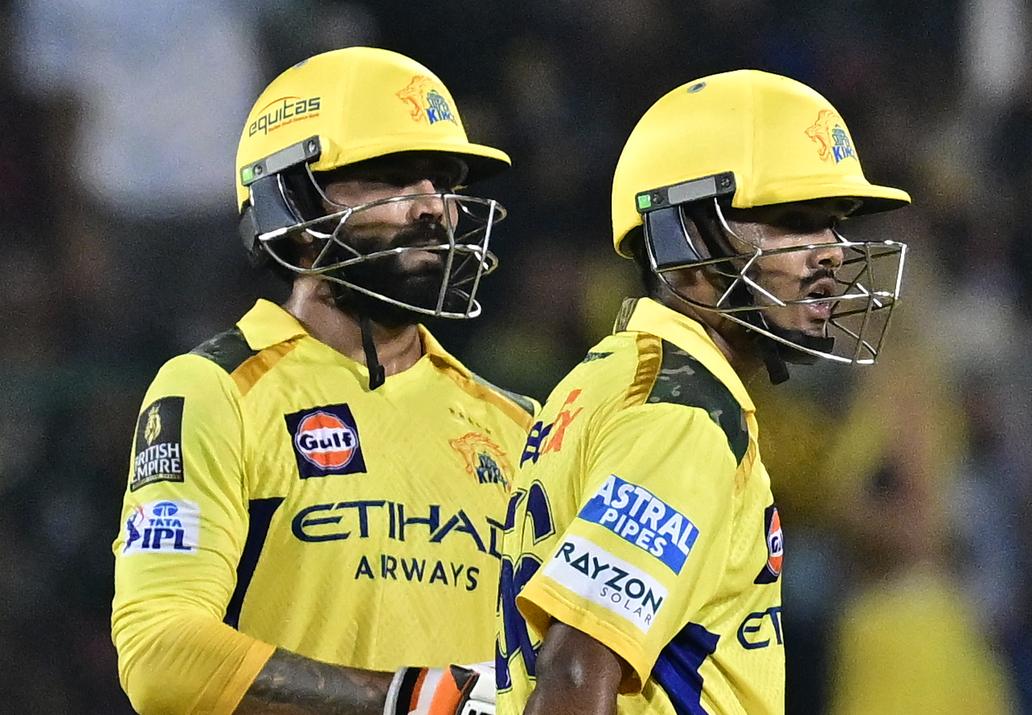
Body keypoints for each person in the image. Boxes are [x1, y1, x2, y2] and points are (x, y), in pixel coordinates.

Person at [111, 47, 534, 715]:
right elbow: (161, 654)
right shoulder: (216, 390)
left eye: (443, 182)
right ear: (290, 197)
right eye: (392, 178)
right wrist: (406, 700)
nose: (433, 207)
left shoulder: (520, 426)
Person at [495, 70, 912, 713]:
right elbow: (576, 674)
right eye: (793, 221)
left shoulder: (610, 376)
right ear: (682, 239)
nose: (832, 251)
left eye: (832, 224)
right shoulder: (685, 414)